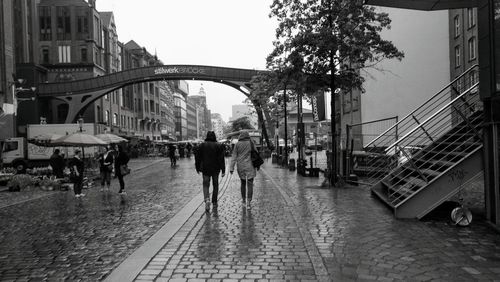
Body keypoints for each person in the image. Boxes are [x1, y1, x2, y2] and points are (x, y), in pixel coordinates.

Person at [195, 131, 226, 212]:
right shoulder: (218, 145)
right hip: (216, 169)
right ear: (214, 136)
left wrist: (197, 167)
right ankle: (214, 201)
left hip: (205, 168)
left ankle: (207, 199)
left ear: (207, 136)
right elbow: (221, 159)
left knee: (205, 184)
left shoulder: (202, 145)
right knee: (215, 185)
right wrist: (223, 170)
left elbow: (198, 157)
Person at [229, 131, 257, 210]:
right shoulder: (251, 143)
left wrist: (231, 168)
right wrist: (257, 165)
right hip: (250, 165)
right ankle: (249, 202)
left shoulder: (237, 144)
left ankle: (244, 200)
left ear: (240, 136)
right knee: (250, 184)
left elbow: (234, 156)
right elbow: (256, 153)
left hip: (240, 166)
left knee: (243, 183)